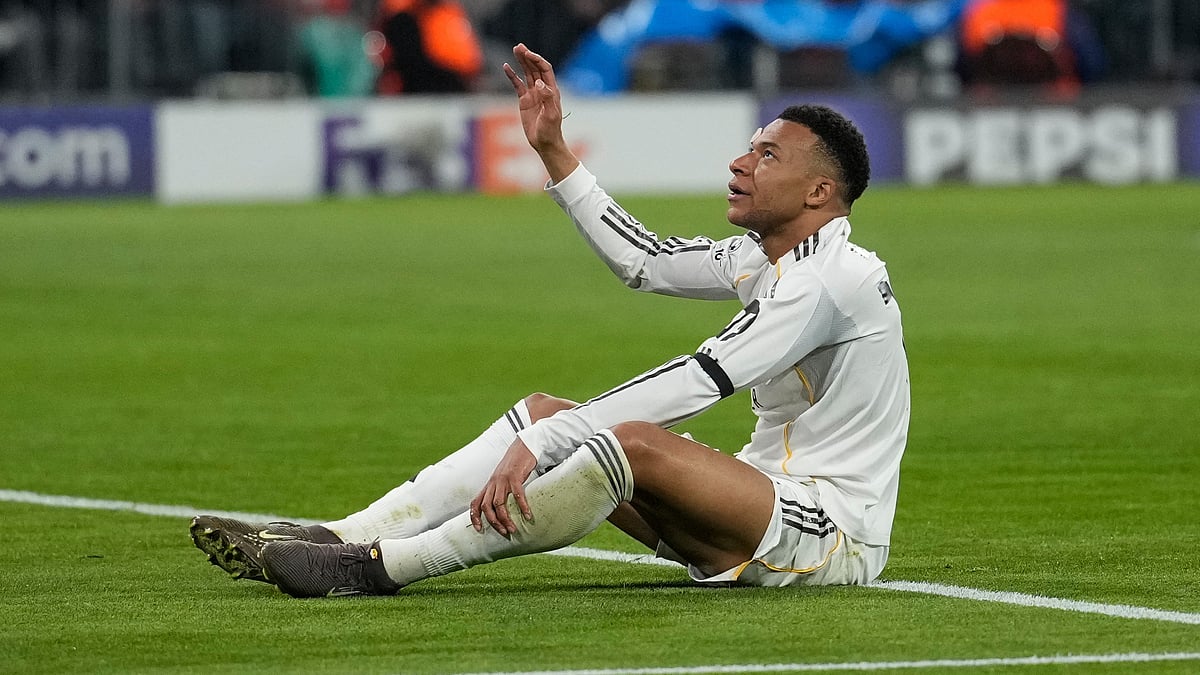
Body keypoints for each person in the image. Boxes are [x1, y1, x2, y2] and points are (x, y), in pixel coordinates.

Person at [190, 43, 910, 598]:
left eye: (766, 153)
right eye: (749, 145)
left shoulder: (832, 279)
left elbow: (703, 376)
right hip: (756, 506)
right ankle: (340, 534)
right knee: (547, 410)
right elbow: (647, 262)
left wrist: (551, 439)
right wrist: (556, 153)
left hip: (829, 533)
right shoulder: (766, 258)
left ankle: (376, 567)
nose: (740, 160)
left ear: (820, 190)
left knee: (617, 439)